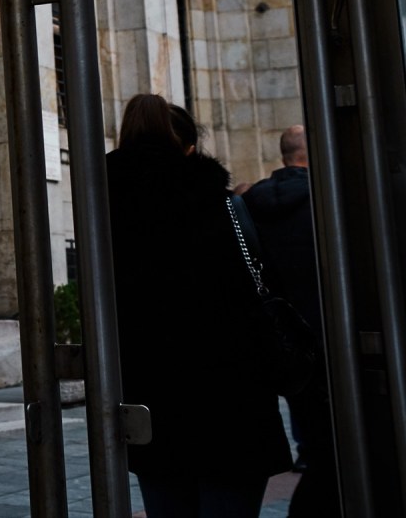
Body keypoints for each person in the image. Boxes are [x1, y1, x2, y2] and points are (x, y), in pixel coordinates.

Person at [106, 94, 290, 518]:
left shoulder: (106, 207)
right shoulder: (217, 204)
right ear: (189, 148)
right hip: (230, 396)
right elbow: (257, 289)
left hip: (152, 397)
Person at [243, 125, 335, 517]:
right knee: (336, 450)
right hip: (330, 335)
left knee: (313, 437)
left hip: (283, 342)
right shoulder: (326, 196)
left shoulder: (251, 202)